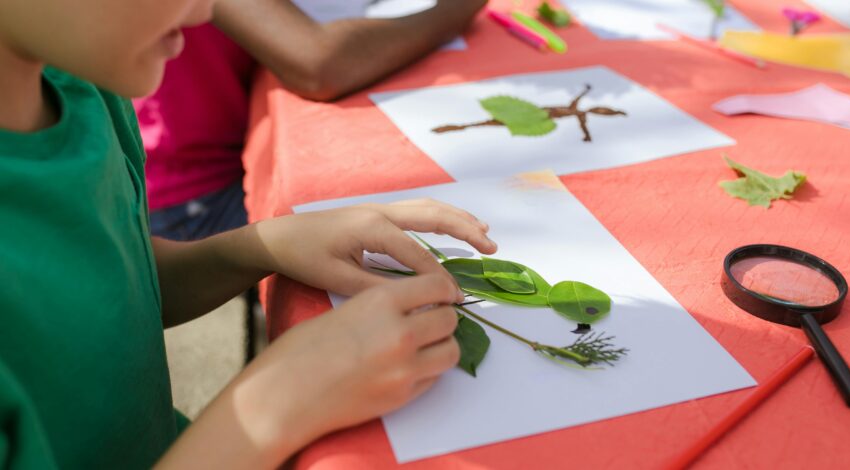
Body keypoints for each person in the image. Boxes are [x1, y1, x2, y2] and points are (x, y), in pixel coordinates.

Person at [0, 0, 497, 467]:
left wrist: (261, 245)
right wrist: (276, 404)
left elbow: (109, 296)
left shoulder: (84, 88)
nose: (203, 11)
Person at [137, 0, 487, 241]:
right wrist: (454, 11)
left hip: (203, 158)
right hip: (186, 198)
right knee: (409, 224)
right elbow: (318, 65)